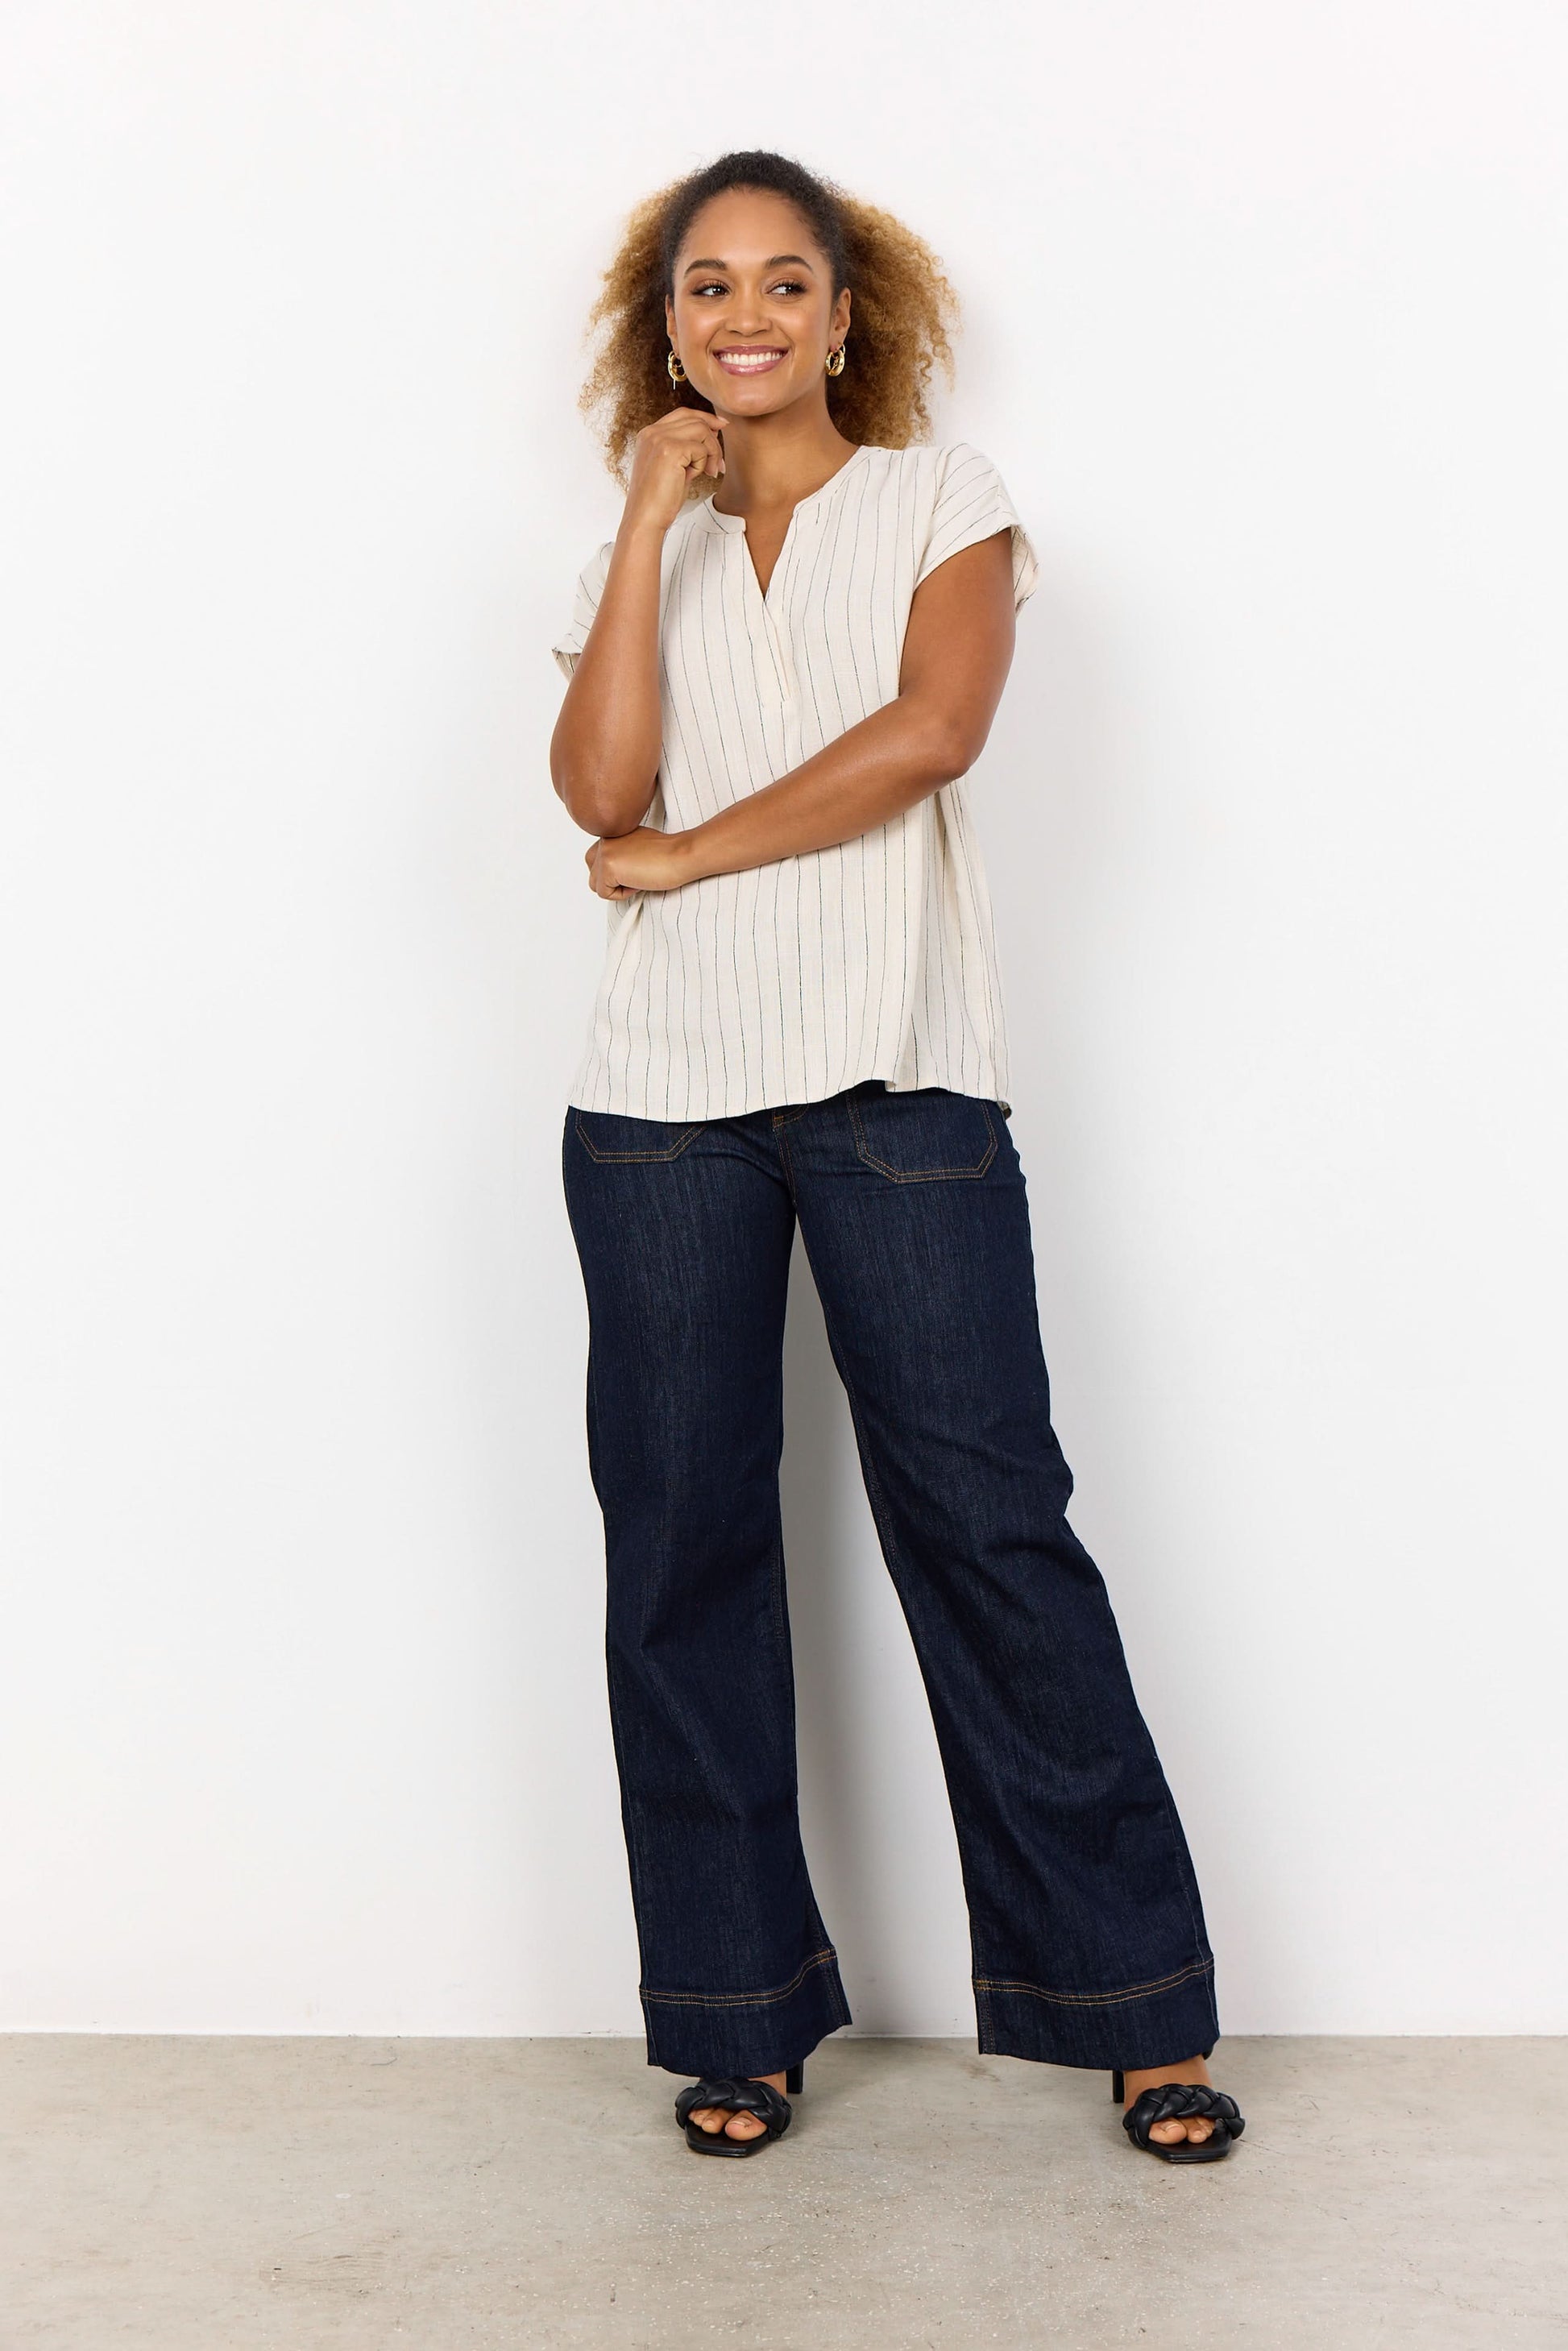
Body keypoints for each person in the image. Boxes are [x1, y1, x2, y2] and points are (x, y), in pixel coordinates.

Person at [549, 149, 1245, 2167]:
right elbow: (590, 782)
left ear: (850, 315)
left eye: (785, 282)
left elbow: (930, 732)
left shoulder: (945, 497)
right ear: (662, 325)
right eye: (705, 288)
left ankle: (1134, 2005)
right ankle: (734, 2011)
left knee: (989, 1528)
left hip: (896, 1088)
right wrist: (632, 525)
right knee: (678, 1548)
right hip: (656, 1097)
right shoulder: (647, 545)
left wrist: (682, 852)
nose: (744, 314)